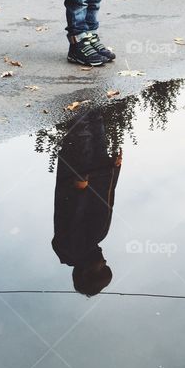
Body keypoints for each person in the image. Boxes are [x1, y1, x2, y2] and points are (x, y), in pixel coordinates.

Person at [52, 109, 122, 296]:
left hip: (80, 178)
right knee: (95, 119)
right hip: (97, 175)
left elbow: (72, 214)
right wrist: (115, 170)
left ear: (86, 272)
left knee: (81, 128)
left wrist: (80, 191)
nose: (105, 262)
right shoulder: (93, 242)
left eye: (102, 268)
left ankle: (75, 85)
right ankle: (90, 89)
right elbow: (108, 201)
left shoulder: (73, 248)